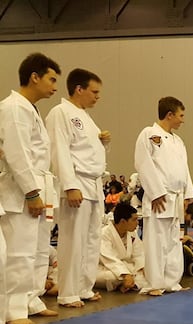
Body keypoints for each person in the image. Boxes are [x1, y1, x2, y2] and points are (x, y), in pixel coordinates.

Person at [0, 53, 61, 324]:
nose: (54, 86)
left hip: (38, 185)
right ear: (34, 77)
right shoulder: (14, 108)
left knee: (37, 250)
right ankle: (13, 309)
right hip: (20, 190)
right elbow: (17, 154)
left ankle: (30, 299)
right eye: (51, 79)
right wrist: (31, 192)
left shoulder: (30, 108)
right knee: (19, 252)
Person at [47, 68, 109, 307]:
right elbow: (60, 150)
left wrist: (104, 143)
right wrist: (69, 186)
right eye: (94, 91)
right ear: (79, 89)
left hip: (93, 183)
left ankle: (84, 287)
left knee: (92, 239)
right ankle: (68, 292)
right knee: (73, 239)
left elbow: (89, 154)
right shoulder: (60, 112)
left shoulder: (86, 117)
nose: (97, 97)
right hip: (77, 182)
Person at [133, 96, 193, 293]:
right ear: (169, 115)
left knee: (174, 241)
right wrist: (156, 192)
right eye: (181, 115)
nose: (183, 120)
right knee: (156, 242)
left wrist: (187, 194)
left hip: (176, 197)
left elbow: (183, 168)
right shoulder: (149, 134)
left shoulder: (178, 141)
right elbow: (142, 163)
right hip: (158, 198)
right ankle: (155, 283)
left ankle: (171, 281)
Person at [95, 203, 152, 293]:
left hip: (126, 267)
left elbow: (139, 254)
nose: (137, 223)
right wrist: (125, 274)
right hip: (103, 268)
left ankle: (129, 285)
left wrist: (142, 267)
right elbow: (109, 258)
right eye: (134, 220)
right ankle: (127, 282)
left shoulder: (132, 232)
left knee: (147, 272)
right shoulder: (104, 234)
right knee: (113, 277)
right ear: (123, 222)